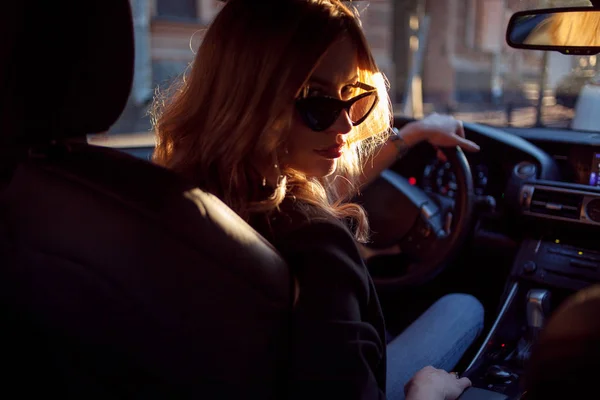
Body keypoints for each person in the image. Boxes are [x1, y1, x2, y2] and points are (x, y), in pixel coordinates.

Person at [151, 0, 484, 399]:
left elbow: (328, 188)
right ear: (253, 99)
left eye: (351, 94)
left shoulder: (171, 192)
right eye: (317, 100)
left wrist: (410, 135)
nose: (345, 124)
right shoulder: (316, 245)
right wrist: (426, 391)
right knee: (465, 307)